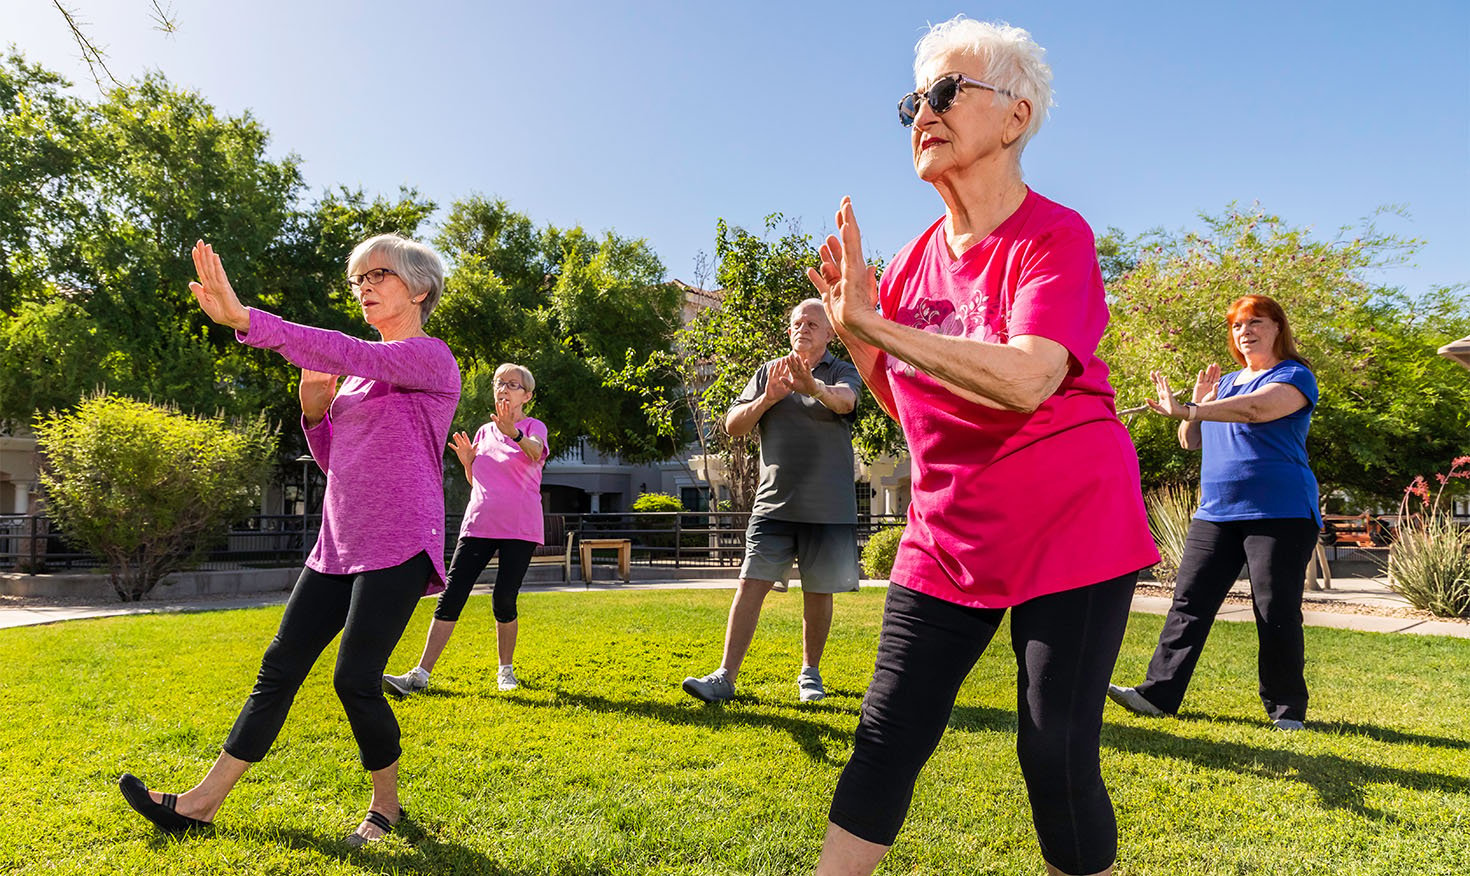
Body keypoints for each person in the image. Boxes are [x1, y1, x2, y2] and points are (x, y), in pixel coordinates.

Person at [802, 17, 1159, 876]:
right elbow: (912, 410)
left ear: (1015, 117)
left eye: (947, 91)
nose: (924, 111)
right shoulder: (913, 263)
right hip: (948, 531)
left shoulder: (1054, 236)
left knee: (1053, 749)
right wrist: (865, 343)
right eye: (912, 100)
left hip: (1070, 524)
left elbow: (1031, 378)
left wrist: (877, 325)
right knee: (887, 732)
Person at [119, 234, 460, 848]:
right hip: (336, 543)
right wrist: (312, 409)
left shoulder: (429, 358)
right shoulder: (355, 381)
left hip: (400, 542)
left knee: (355, 679)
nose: (363, 288)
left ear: (418, 288)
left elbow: (343, 349)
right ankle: (200, 804)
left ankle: (387, 807)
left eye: (377, 275)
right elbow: (335, 462)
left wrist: (247, 320)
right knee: (277, 671)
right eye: (358, 280)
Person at [1108, 294, 1320, 732]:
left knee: (1274, 609)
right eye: (1239, 326)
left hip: (1279, 512)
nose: (1246, 332)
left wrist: (1192, 408)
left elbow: (1258, 409)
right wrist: (1197, 409)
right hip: (1217, 512)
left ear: (1278, 327)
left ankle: (1286, 712)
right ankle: (1158, 694)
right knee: (1188, 602)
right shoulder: (1223, 383)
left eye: (1256, 322)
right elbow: (1190, 441)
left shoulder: (1294, 376)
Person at [681, 299, 863, 704]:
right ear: (789, 331)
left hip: (828, 507)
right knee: (750, 584)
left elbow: (846, 401)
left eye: (814, 323)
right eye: (798, 323)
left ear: (830, 333)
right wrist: (768, 398)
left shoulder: (841, 369)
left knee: (819, 591)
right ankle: (725, 677)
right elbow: (733, 425)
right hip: (774, 505)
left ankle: (810, 674)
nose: (804, 328)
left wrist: (812, 387)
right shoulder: (769, 372)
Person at [384, 362, 548, 696]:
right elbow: (478, 482)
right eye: (498, 382)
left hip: (520, 527)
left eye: (512, 384)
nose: (503, 387)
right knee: (452, 595)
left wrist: (512, 432)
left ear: (527, 395)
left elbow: (534, 454)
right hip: (479, 523)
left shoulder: (534, 427)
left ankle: (506, 671)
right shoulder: (483, 432)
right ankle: (420, 675)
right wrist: (468, 464)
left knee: (504, 599)